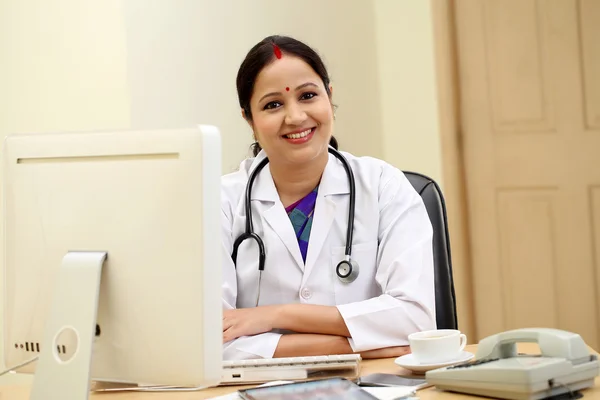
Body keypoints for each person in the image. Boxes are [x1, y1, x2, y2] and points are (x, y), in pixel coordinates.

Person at [221, 35, 436, 361]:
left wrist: (275, 316)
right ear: (249, 119)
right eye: (273, 104)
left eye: (308, 95)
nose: (294, 117)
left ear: (329, 97)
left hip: (374, 385)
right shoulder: (219, 203)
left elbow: (415, 318)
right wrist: (353, 345)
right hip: (258, 389)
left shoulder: (383, 187)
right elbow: (208, 342)